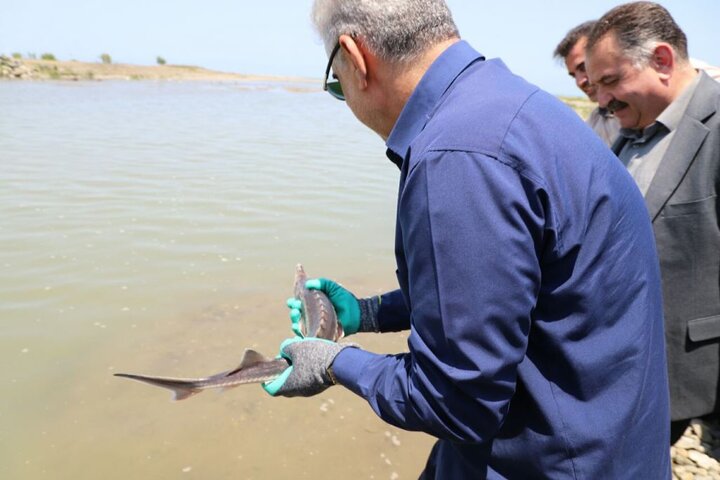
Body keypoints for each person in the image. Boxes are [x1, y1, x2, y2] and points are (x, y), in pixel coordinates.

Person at [263, 1, 670, 477]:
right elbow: (506, 290)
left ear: (355, 58)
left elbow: (456, 401)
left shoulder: (457, 156)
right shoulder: (512, 108)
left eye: (337, 83)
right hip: (610, 441)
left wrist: (335, 364)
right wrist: (371, 313)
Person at [585, 1, 720, 444]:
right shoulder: (625, 135)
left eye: (610, 81)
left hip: (695, 371)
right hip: (624, 367)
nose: (601, 99)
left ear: (662, 61)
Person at [554, 20, 620, 146]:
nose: (580, 82)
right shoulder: (593, 124)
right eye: (573, 75)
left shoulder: (650, 113)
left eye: (583, 67)